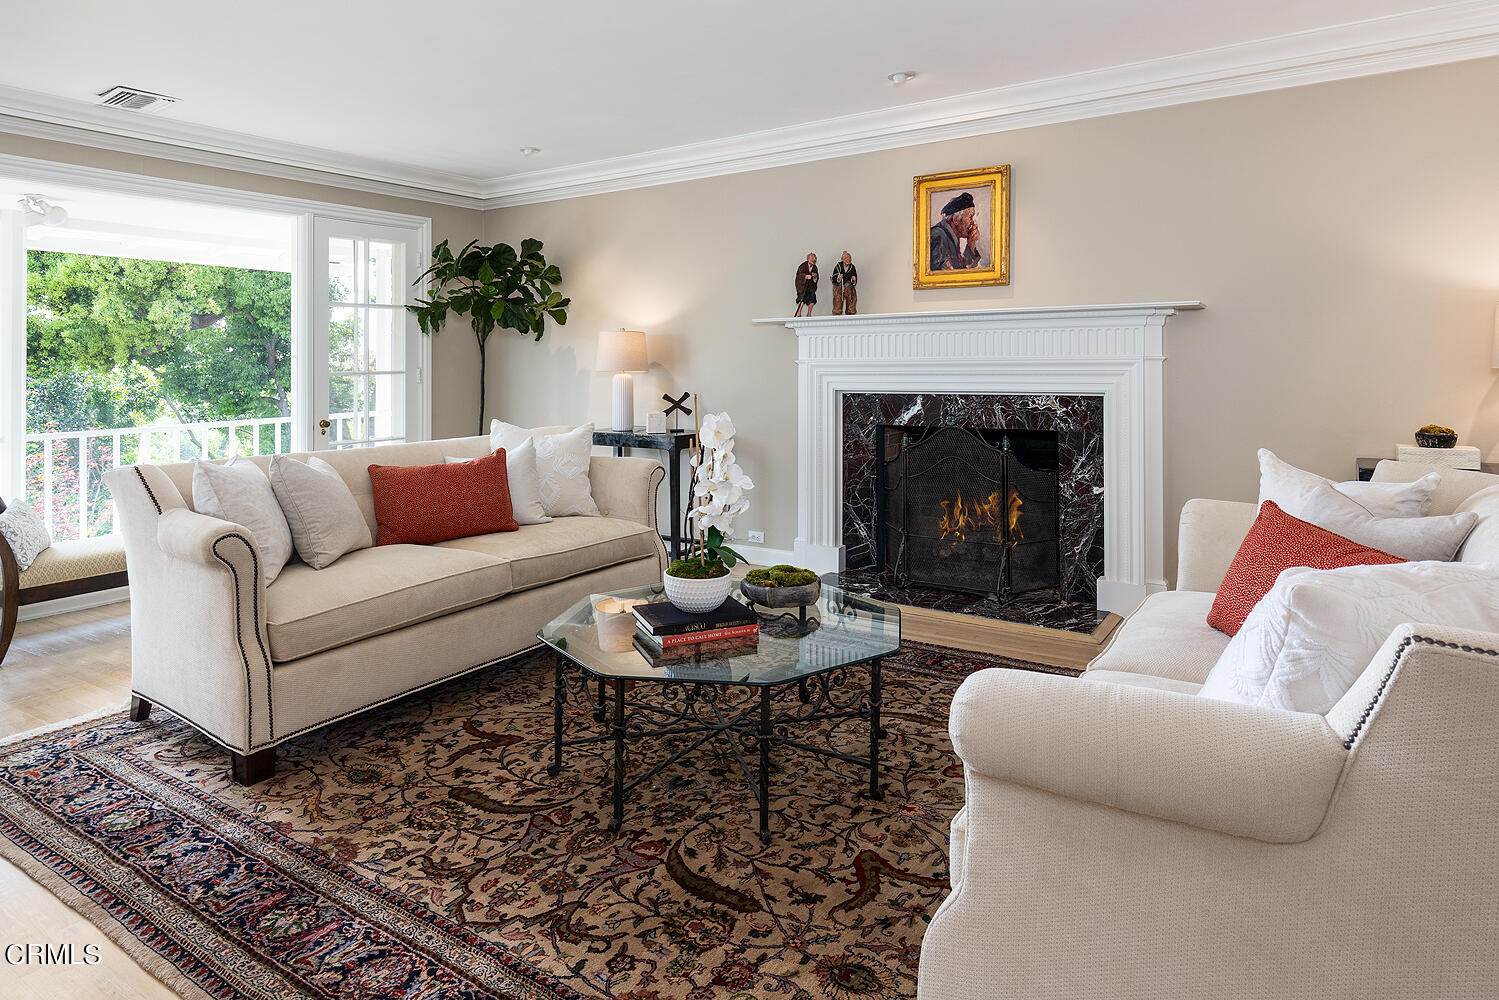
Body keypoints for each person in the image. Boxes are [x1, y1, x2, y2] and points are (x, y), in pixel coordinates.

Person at [929, 191, 982, 271]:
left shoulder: (950, 237)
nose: (973, 222)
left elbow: (960, 271)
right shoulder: (938, 236)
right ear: (956, 219)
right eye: (970, 217)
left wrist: (971, 246)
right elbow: (948, 276)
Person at [830, 251, 858, 315]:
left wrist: (853, 280)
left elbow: (854, 278)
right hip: (839, 286)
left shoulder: (852, 267)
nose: (848, 259)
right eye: (846, 258)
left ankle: (850, 313)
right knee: (838, 301)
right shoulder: (838, 266)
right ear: (842, 259)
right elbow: (834, 277)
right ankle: (837, 314)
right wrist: (839, 278)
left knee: (852, 298)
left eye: (849, 258)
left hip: (848, 287)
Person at [793, 252, 819, 317]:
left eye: (815, 258)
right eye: (812, 258)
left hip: (810, 286)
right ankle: (799, 313)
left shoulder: (815, 267)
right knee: (802, 299)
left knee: (812, 299)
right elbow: (798, 276)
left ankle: (809, 314)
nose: (814, 259)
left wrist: (815, 276)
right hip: (803, 286)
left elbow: (816, 278)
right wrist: (805, 276)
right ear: (808, 259)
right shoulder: (802, 266)